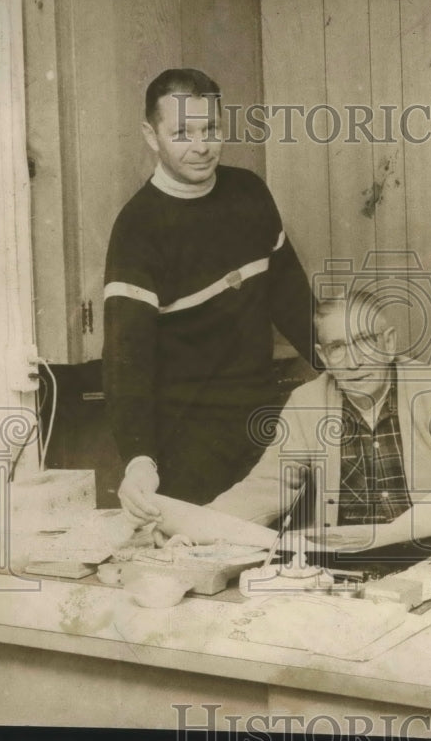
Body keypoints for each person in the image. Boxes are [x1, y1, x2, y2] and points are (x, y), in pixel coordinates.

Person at [104, 68, 315, 517]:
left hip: (262, 421)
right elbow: (127, 362)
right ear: (151, 134)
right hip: (186, 436)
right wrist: (139, 460)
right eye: (182, 132)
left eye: (211, 129)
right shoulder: (137, 229)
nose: (201, 146)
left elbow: (294, 304)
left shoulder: (250, 193)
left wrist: (354, 370)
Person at [195, 290, 431, 547]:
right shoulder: (307, 402)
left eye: (364, 341)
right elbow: (267, 486)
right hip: (344, 559)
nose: (353, 361)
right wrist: (196, 528)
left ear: (389, 342)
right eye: (338, 347)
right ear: (323, 356)